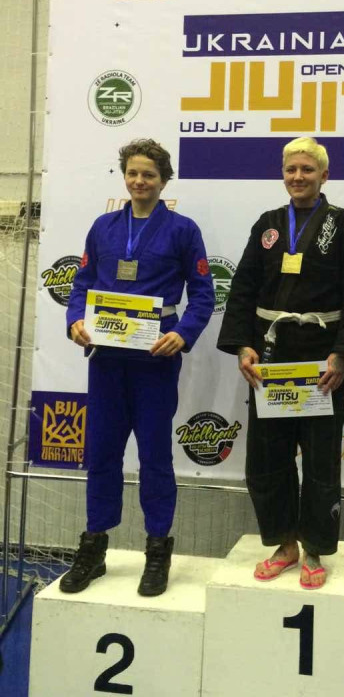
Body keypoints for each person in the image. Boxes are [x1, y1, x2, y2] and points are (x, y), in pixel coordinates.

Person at [217, 137, 344, 589]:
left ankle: (314, 548)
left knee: (321, 458)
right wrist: (242, 345)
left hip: (322, 359)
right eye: (291, 169)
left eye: (307, 169)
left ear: (324, 175)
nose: (298, 177)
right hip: (271, 355)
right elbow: (243, 287)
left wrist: (343, 354)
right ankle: (284, 544)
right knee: (268, 457)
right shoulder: (267, 224)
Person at [62, 139, 215, 596]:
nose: (139, 181)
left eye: (148, 174)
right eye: (132, 173)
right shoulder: (103, 227)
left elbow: (203, 294)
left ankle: (157, 549)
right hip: (107, 361)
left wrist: (183, 333)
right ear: (124, 176)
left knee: (154, 456)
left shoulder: (183, 230)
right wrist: (75, 321)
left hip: (154, 361)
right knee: (102, 453)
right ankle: (94, 546)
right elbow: (82, 284)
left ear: (164, 180)